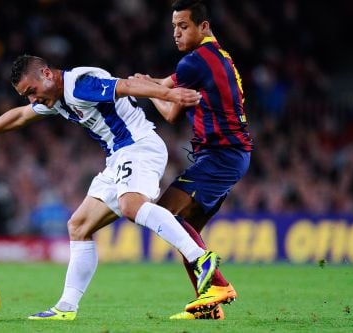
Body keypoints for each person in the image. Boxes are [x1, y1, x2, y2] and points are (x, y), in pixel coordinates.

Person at [0, 54, 223, 320]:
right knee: (78, 226)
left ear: (46, 73)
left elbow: (125, 85)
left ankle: (200, 257)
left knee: (131, 205)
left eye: (32, 90)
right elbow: (21, 116)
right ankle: (66, 307)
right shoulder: (53, 98)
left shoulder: (80, 84)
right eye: (26, 95)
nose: (33, 99)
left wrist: (170, 94)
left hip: (139, 147)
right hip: (118, 157)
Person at [132, 0, 254, 320]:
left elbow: (171, 112)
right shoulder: (215, 56)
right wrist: (148, 83)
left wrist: (147, 91)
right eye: (173, 26)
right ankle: (208, 307)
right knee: (187, 232)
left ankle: (220, 286)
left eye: (183, 26)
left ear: (203, 27)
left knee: (163, 213)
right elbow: (169, 82)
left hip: (220, 156)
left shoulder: (194, 62)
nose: (176, 32)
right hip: (231, 155)